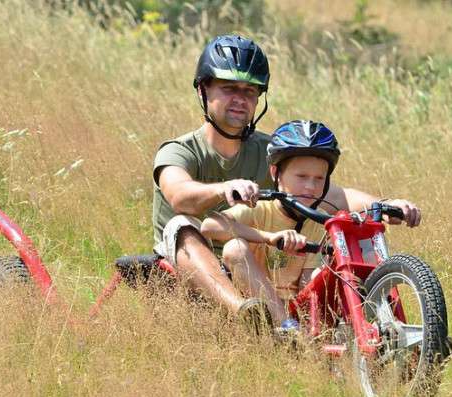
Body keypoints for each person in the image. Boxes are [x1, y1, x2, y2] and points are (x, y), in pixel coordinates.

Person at [152, 34, 421, 323]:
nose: (240, 99)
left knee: (342, 232)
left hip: (257, 262)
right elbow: (180, 195)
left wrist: (384, 205)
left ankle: (386, 331)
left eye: (250, 91)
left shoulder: (272, 154)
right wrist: (225, 189)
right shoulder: (179, 150)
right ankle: (244, 312)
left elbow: (334, 195)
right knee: (182, 225)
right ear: (204, 89)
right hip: (193, 259)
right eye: (229, 88)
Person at [200, 120, 340, 332]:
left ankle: (301, 331)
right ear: (276, 173)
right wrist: (268, 238)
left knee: (326, 270)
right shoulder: (261, 209)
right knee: (234, 248)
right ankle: (285, 325)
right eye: (301, 177)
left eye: (319, 178)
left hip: (294, 307)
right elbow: (209, 226)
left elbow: (307, 282)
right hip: (256, 302)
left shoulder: (319, 220)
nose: (310, 187)